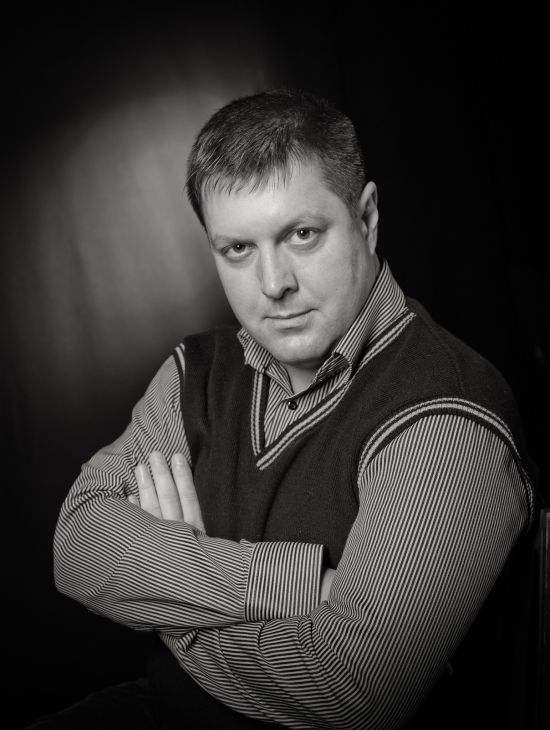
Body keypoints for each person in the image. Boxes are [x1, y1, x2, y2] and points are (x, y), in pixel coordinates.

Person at [40, 89, 537, 729]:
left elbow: (353, 689)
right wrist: (296, 583)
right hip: (157, 709)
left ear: (367, 217)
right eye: (237, 250)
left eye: (302, 235)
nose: (274, 284)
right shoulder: (197, 371)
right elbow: (77, 545)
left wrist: (169, 596)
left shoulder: (445, 412)